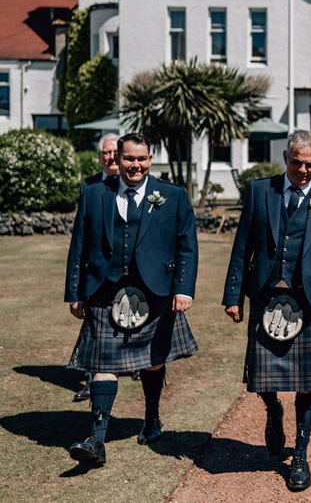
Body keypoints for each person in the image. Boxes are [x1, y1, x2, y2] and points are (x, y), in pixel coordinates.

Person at [223, 129, 311, 491]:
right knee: (262, 378)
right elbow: (241, 247)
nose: (304, 170)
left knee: (309, 385)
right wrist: (233, 296)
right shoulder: (261, 192)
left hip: (310, 305)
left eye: (310, 164)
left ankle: (301, 455)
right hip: (265, 298)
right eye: (297, 162)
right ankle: (273, 409)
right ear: (285, 157)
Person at [65, 133, 198, 465]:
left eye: (141, 159)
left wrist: (183, 288)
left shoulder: (172, 195)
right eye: (128, 158)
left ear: (150, 159)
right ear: (117, 159)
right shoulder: (94, 193)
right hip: (104, 292)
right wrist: (76, 292)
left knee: (153, 360)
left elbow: (187, 246)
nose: (134, 165)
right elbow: (78, 245)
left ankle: (151, 415)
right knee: (101, 364)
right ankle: (97, 437)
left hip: (154, 293)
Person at [71, 133, 122, 402]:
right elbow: (82, 235)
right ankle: (92, 379)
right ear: (99, 156)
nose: (110, 157)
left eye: (114, 151)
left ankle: (132, 365)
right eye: (105, 152)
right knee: (95, 330)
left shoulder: (137, 183)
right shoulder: (88, 186)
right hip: (98, 272)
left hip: (129, 273)